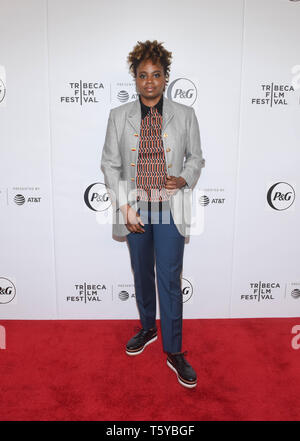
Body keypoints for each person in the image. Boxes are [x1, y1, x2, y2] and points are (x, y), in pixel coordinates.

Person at [101, 40, 205, 388]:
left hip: (170, 208)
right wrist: (124, 205)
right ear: (135, 77)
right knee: (142, 273)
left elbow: (196, 158)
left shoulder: (185, 115)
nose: (149, 81)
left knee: (170, 280)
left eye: (156, 75)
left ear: (165, 77)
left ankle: (174, 351)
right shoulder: (119, 117)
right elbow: (110, 164)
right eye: (143, 75)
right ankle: (147, 327)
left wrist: (185, 178)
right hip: (135, 208)